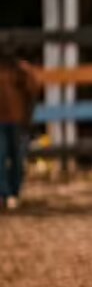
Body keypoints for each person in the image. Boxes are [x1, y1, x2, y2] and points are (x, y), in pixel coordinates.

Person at [0, 45, 41, 211]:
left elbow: (33, 94)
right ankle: (5, 193)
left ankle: (13, 193)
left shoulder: (22, 71)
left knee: (17, 159)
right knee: (0, 157)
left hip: (17, 120)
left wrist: (28, 118)